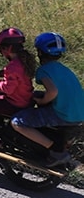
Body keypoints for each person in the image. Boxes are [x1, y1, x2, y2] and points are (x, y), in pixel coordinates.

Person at [11, 32, 84, 167]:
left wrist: (42, 102)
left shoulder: (44, 70)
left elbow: (53, 91)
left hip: (64, 115)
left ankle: (56, 151)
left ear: (39, 52)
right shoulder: (64, 69)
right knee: (37, 95)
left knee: (17, 122)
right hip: (79, 113)